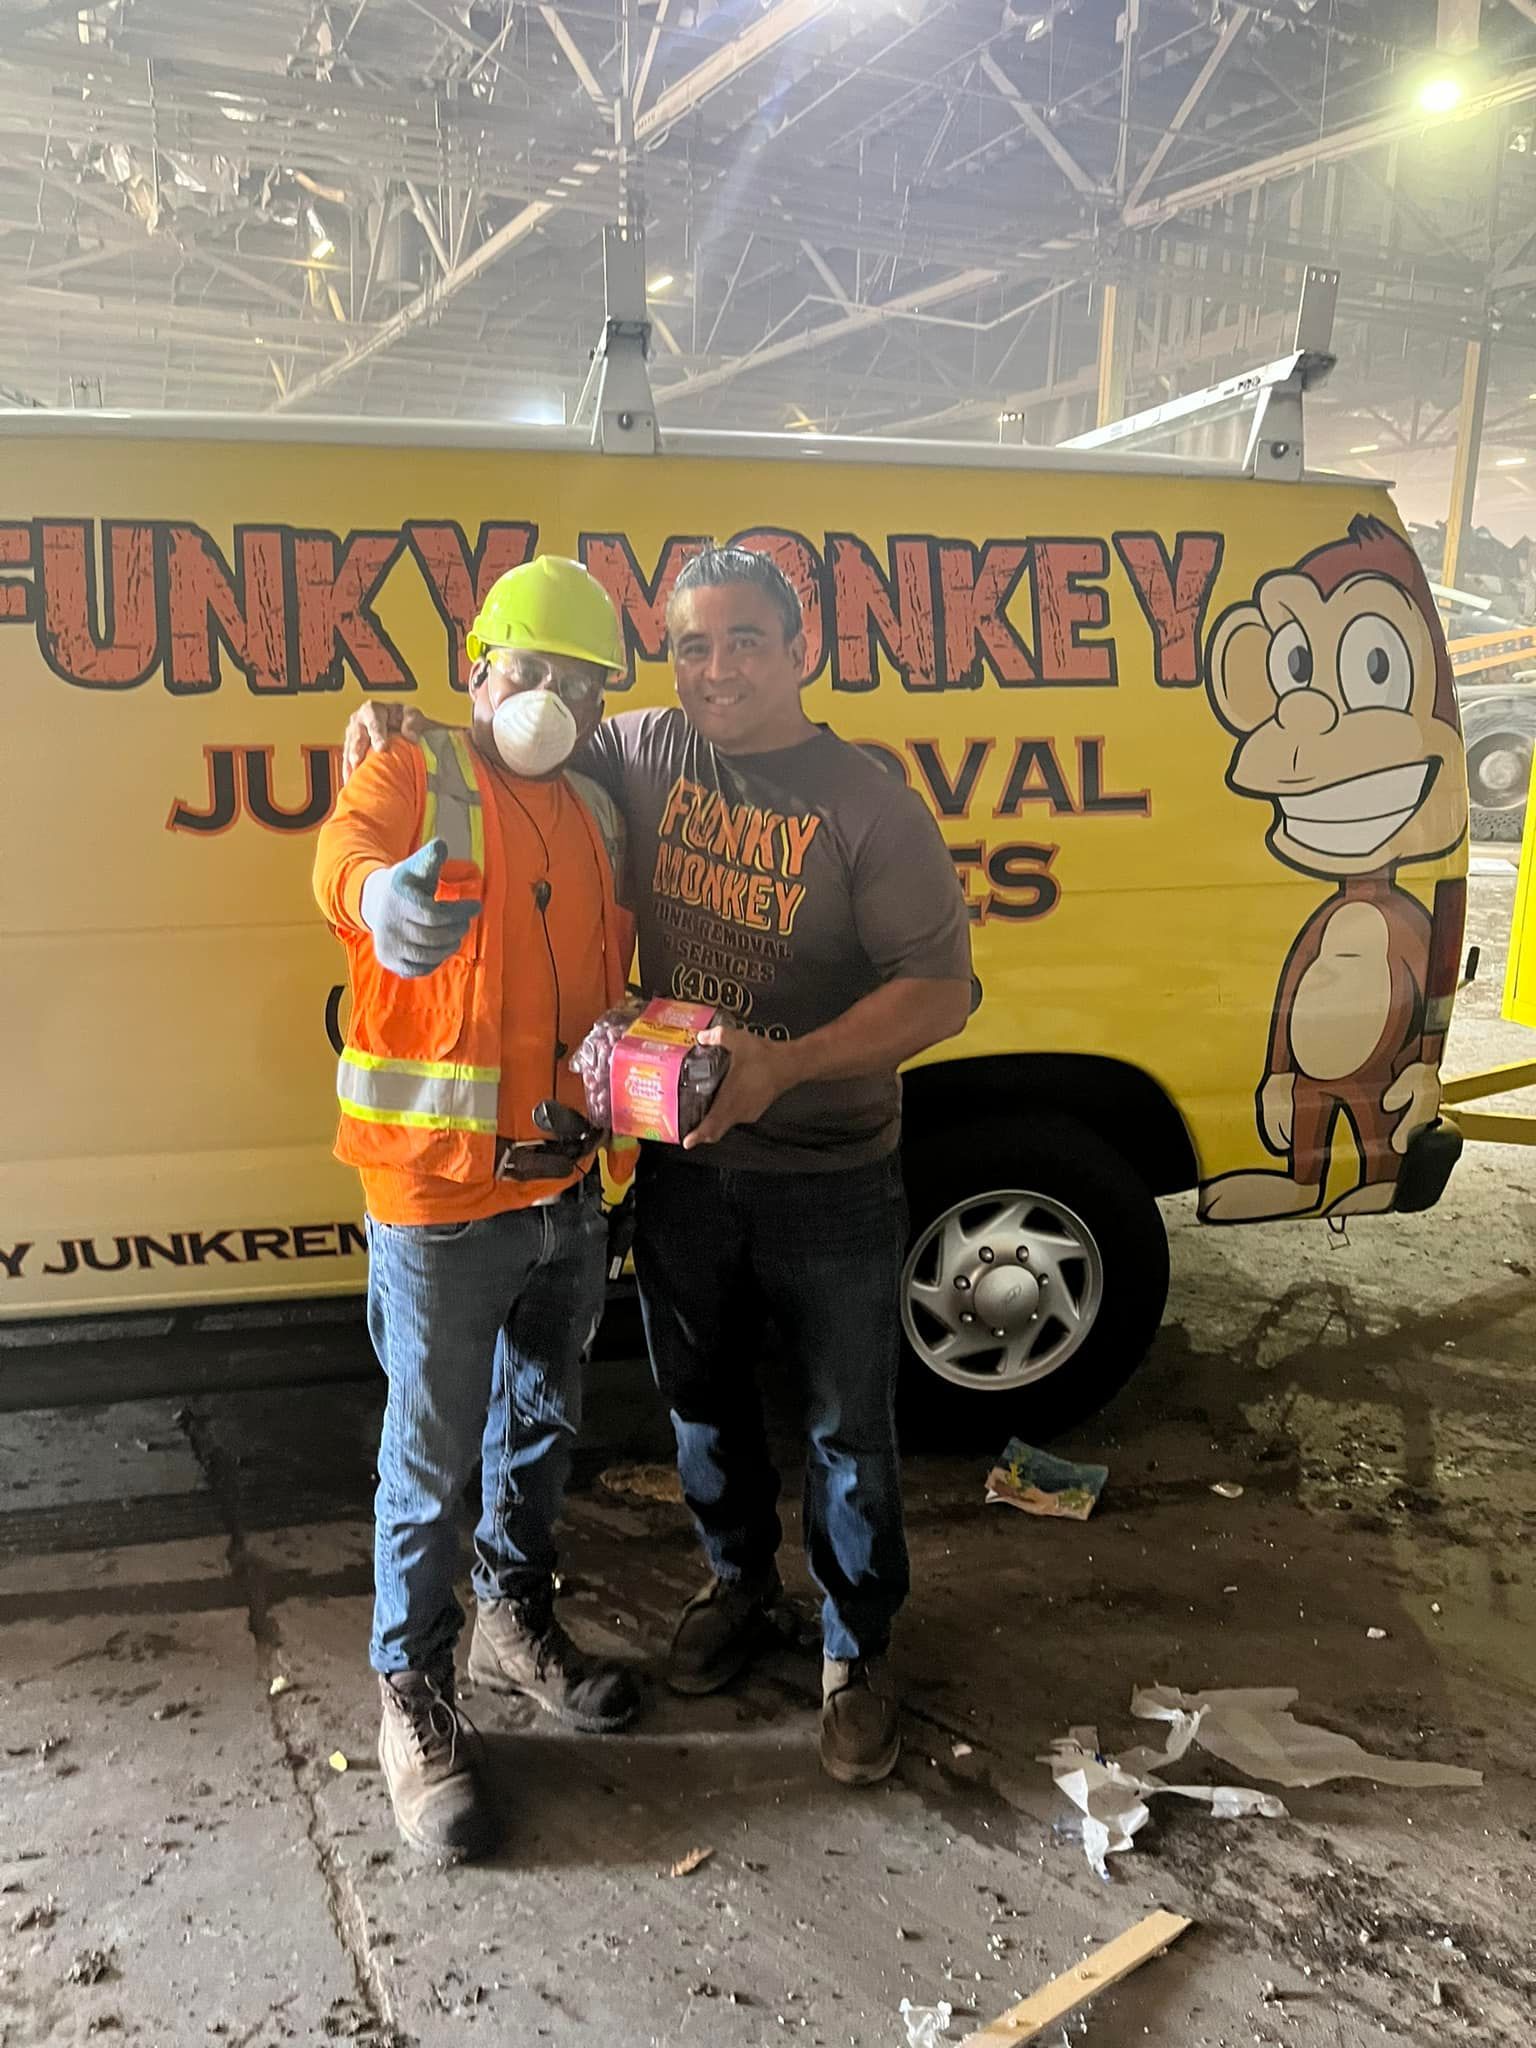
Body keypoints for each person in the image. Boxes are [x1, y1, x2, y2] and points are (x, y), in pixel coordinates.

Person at [344, 545, 973, 1787]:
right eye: (692, 645)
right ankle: (739, 1586)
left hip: (829, 1170)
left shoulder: (869, 804)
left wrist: (787, 1067)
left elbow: (943, 991)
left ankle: (855, 1651)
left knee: (848, 1423)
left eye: (746, 640)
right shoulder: (636, 751)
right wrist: (394, 735)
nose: (717, 667)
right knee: (701, 1404)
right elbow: (469, 765)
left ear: (801, 649)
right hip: (682, 1164)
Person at [315, 556, 642, 1863]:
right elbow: (342, 854)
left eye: (583, 681)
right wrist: (373, 897)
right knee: (430, 1458)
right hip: (441, 1201)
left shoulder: (599, 807)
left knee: (541, 1426)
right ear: (479, 669)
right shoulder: (415, 769)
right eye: (531, 668)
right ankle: (412, 1690)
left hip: (567, 1190)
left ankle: (516, 1619)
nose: (553, 698)